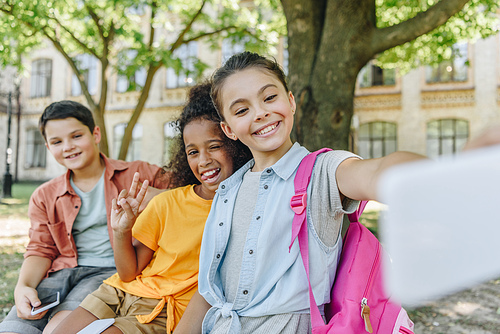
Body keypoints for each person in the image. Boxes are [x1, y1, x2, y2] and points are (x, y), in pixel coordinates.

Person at [174, 51, 431, 334]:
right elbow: (208, 295)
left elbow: (376, 172)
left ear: (291, 101)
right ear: (229, 129)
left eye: (269, 97)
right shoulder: (226, 192)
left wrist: (441, 175)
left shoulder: (321, 173)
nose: (260, 112)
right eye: (242, 110)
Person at [51, 82, 252, 334]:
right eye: (192, 152)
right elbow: (128, 273)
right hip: (117, 293)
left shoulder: (243, 208)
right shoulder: (167, 202)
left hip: (164, 309)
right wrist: (122, 230)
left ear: (235, 144)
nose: (203, 161)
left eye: (214, 146)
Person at [0, 100, 170, 334]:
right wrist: (23, 286)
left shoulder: (139, 175)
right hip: (61, 273)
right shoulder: (45, 195)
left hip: (106, 273)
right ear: (48, 147)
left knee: (57, 329)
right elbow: (40, 249)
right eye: (57, 142)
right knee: (13, 329)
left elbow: (193, 194)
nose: (68, 146)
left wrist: (160, 196)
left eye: (76, 136)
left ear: (95, 134)